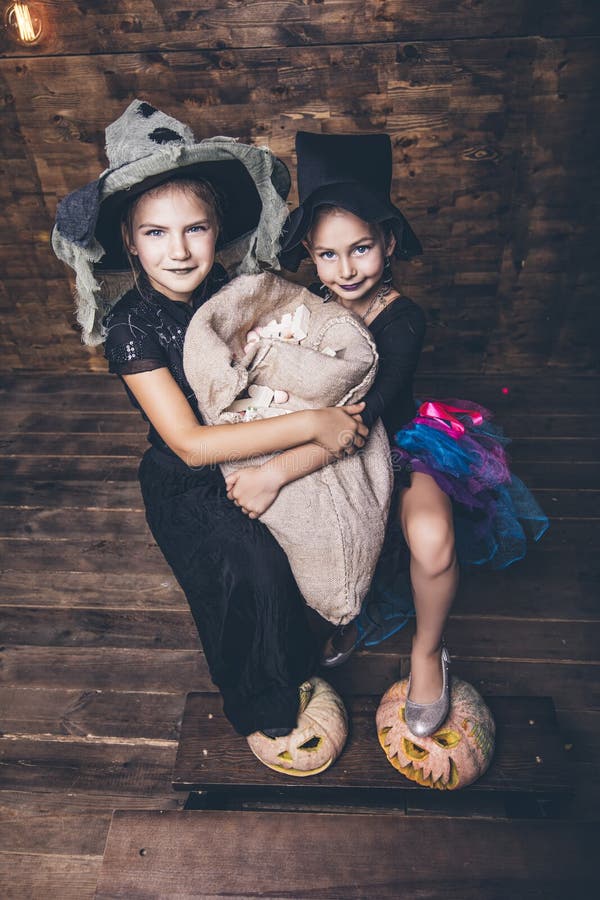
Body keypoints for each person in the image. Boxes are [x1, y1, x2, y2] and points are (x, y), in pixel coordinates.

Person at [51, 102, 368, 744]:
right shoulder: (132, 328)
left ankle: (310, 647)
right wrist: (316, 426)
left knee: (323, 520)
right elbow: (192, 444)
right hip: (188, 480)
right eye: (156, 234)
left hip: (254, 441)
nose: (179, 250)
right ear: (129, 244)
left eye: (194, 230)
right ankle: (263, 706)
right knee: (249, 568)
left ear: (217, 230)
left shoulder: (230, 287)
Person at [227, 131, 548, 738]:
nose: (346, 270)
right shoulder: (299, 306)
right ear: (311, 256)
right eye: (327, 255)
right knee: (289, 532)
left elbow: (359, 421)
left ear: (390, 242)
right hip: (311, 444)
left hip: (393, 443)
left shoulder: (404, 319)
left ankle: (428, 651)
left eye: (362, 248)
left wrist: (273, 472)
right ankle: (334, 608)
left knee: (431, 538)